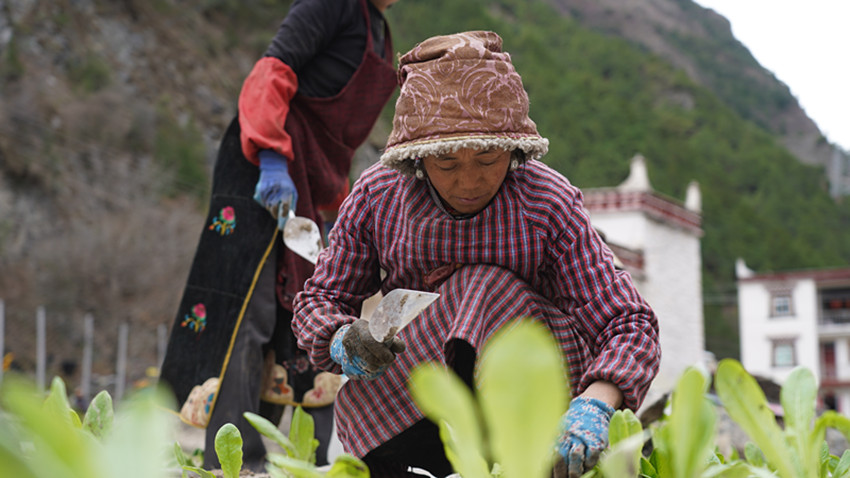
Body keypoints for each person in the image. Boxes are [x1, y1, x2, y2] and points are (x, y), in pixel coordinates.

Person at [292, 31, 662, 478]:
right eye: (446, 162)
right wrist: (342, 339)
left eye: (488, 159)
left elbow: (628, 322)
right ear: (416, 158)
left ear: (514, 150)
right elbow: (319, 300)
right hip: (414, 406)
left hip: (534, 403)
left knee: (483, 287)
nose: (469, 182)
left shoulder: (546, 202)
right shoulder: (379, 196)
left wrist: (596, 404)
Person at [159, 0, 400, 471]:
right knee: (251, 309)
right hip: (263, 165)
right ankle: (235, 457)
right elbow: (272, 71)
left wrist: (335, 203)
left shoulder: (381, 31)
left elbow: (337, 135)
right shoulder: (330, 5)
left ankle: (293, 452)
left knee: (295, 312)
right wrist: (270, 156)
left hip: (313, 179)